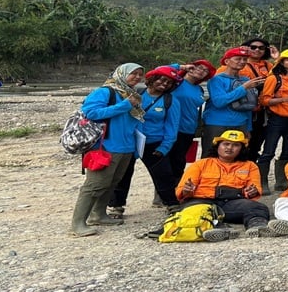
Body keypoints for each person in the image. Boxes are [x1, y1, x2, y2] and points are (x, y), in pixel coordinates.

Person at [69, 63, 144, 237]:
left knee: (112, 182)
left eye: (141, 74)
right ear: (122, 74)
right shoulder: (105, 92)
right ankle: (77, 224)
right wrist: (124, 105)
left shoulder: (132, 95)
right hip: (105, 147)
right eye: (134, 73)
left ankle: (99, 215)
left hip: (125, 147)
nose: (138, 77)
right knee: (94, 185)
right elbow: (90, 113)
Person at [109, 65, 183, 218]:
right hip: (130, 142)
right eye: (162, 79)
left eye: (169, 83)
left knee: (163, 175)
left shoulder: (170, 101)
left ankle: (171, 204)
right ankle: (117, 206)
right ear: (152, 79)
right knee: (123, 174)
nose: (164, 84)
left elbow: (172, 127)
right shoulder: (135, 94)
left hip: (154, 144)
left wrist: (164, 147)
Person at [175, 130, 270, 240]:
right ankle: (222, 230)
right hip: (202, 202)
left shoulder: (250, 166)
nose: (229, 148)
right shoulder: (201, 164)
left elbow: (255, 190)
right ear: (217, 146)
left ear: (242, 149)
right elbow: (181, 191)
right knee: (195, 212)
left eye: (235, 145)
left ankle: (257, 228)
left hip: (231, 203)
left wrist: (252, 192)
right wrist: (187, 190)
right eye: (226, 144)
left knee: (258, 208)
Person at [202, 47, 265, 157]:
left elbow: (248, 106)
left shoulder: (245, 80)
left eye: (244, 59)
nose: (242, 62)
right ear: (227, 61)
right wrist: (243, 88)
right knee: (211, 155)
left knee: (237, 156)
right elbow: (219, 102)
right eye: (238, 59)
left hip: (240, 124)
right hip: (217, 123)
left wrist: (248, 128)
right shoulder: (217, 80)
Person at [258, 49, 288, 192]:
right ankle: (263, 182)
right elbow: (264, 100)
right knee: (269, 150)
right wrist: (285, 99)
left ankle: (281, 181)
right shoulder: (274, 78)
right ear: (282, 62)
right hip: (277, 119)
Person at [167, 59, 214, 192]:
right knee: (167, 162)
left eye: (205, 71)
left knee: (179, 162)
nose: (201, 71)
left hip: (188, 129)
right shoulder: (175, 82)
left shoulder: (199, 89)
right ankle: (163, 195)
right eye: (199, 67)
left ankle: (177, 191)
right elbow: (160, 71)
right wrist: (180, 66)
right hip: (171, 127)